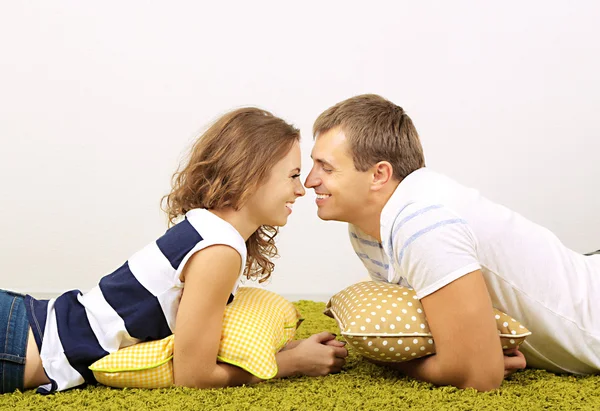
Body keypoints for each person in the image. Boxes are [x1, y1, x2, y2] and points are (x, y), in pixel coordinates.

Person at [0, 107, 348, 394]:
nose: (301, 190)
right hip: (21, 346)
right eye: (293, 175)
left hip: (22, 322)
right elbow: (194, 376)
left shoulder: (204, 227)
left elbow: (201, 339)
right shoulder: (219, 250)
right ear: (252, 175)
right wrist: (292, 363)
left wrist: (287, 349)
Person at [303, 94, 600, 391]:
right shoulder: (365, 229)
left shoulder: (423, 222)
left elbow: (479, 375)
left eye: (326, 168)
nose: (309, 181)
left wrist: (391, 361)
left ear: (379, 174)